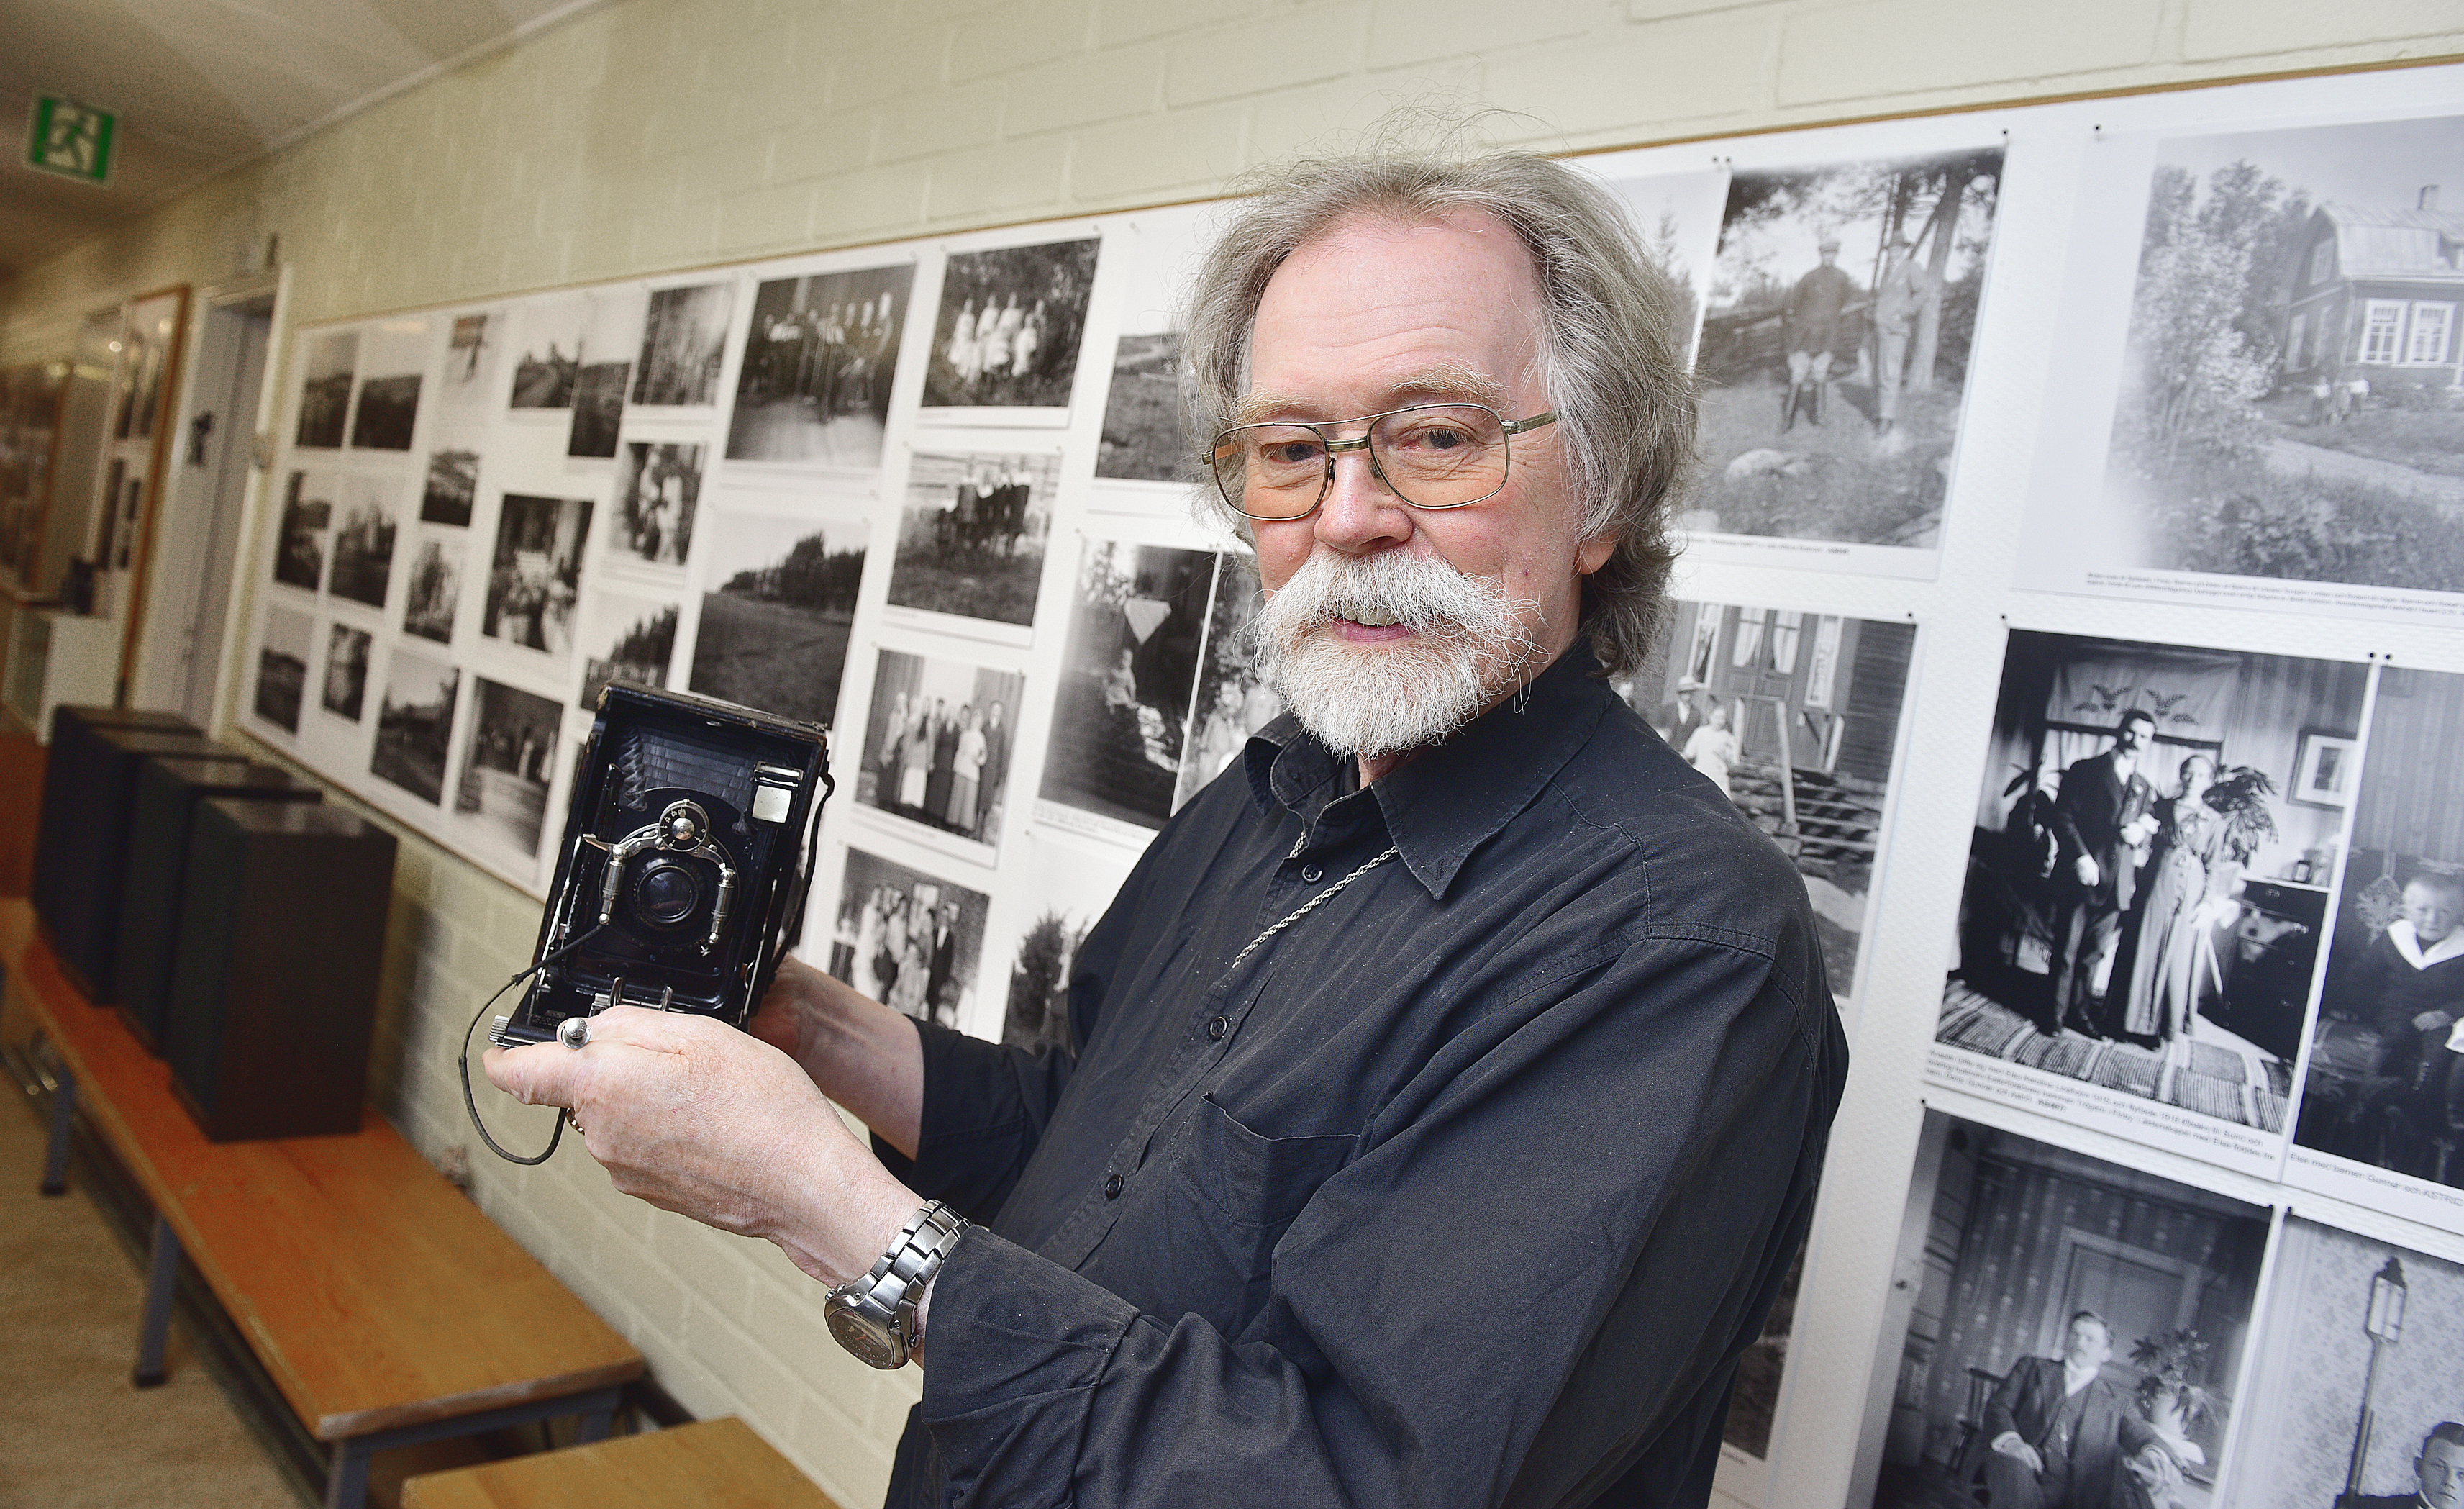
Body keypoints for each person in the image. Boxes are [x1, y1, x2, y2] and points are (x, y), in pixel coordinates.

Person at [488, 144, 1847, 1508]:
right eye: (1291, 449)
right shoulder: (1279, 787)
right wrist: (810, 1031)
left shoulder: (1678, 946)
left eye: (1437, 438)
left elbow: (1347, 1483)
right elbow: (1083, 1150)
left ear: (1601, 491)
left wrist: (823, 1204)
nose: (1350, 515)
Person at [1972, 1312, 2168, 1509]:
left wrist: (2155, 1457)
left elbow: (2145, 1437)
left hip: (2073, 1494)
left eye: (2090, 1339)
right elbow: (1999, 1406)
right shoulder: (2032, 1367)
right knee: (2011, 1470)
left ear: (2106, 1353)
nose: (2080, 1343)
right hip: (2018, 1465)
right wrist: (2012, 1442)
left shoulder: (2118, 1402)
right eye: (2075, 1335)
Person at [2342, 874, 2464, 1170]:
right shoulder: (2396, 937)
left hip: (2440, 1018)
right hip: (2396, 1011)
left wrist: (2446, 1013)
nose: (2433, 919)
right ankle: (2380, 1097)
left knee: (2439, 1056)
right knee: (2391, 1045)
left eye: (2444, 911)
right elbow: (2362, 974)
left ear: (2458, 914)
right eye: (2423, 910)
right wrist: (2349, 1007)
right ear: (2408, 910)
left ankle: (2420, 1118)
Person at [2050, 710, 2160, 1038]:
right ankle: (2053, 1013)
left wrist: (2142, 832)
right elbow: (2063, 818)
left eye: (2143, 737)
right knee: (2067, 950)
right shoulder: (2086, 770)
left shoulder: (2144, 785)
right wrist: (2081, 858)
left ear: (2149, 742)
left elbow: (2148, 825)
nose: (2135, 741)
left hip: (2118, 882)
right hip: (2082, 874)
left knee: (2093, 953)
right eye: (2131, 732)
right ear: (2119, 731)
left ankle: (2078, 1013)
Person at [2121, 753, 2236, 1047]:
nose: (2192, 780)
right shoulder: (2161, 808)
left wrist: (2207, 901)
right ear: (2181, 775)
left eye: (2200, 775)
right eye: (2188, 773)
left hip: (2191, 889)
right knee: (2143, 947)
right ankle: (2129, 1022)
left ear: (2209, 782)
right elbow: (2141, 840)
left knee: (2177, 956)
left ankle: (2161, 1027)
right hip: (2157, 880)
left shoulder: (2215, 821)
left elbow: (2213, 866)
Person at [1781, 235, 1856, 430]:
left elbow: (1843, 303)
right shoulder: (1809, 278)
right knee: (1798, 374)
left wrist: (1831, 322)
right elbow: (1792, 306)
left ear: (1836, 255)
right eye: (1826, 253)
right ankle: (1787, 419)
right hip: (1806, 335)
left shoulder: (1842, 277)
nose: (1829, 257)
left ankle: (1820, 416)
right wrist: (1798, 331)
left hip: (1828, 335)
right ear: (1821, 255)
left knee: (1820, 373)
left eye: (1832, 253)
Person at [1868, 234, 1934, 437]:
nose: (1894, 252)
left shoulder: (1911, 267)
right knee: (1880, 372)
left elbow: (1924, 292)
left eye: (1898, 248)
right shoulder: (1887, 271)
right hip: (1882, 328)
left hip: (1897, 329)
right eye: (1891, 249)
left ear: (1904, 250)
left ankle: (1887, 418)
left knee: (1890, 372)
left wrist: (1903, 313)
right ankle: (1882, 413)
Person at [2342, 1422, 2464, 1509]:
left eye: (2462, 1474)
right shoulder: (2369, 1507)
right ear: (2419, 1467)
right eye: (2440, 1467)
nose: (2449, 1482)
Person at [1682, 697, 1740, 797]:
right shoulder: (1701, 732)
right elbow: (1689, 752)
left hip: (1718, 776)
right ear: (1710, 716)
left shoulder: (1728, 737)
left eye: (1722, 718)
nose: (1719, 721)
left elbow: (1734, 760)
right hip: (1701, 772)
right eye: (1717, 717)